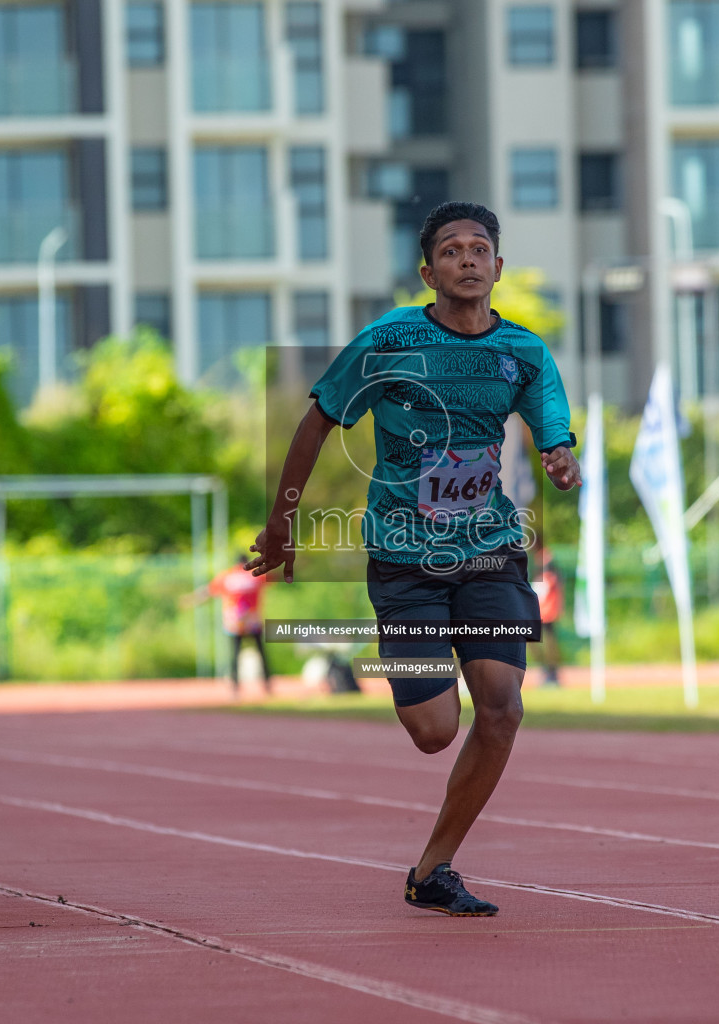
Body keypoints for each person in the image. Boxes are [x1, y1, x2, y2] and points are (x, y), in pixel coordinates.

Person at [248, 201, 579, 917]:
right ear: (428, 272)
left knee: (501, 709)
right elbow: (316, 421)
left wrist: (559, 456)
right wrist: (283, 522)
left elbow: (553, 423)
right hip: (404, 554)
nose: (467, 259)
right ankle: (402, 652)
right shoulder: (388, 340)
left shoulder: (523, 350)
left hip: (490, 550)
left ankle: (434, 868)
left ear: (498, 267)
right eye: (452, 250)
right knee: (435, 732)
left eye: (479, 248)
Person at [194, 555, 272, 697]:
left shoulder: (228, 575)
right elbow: (272, 577)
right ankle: (267, 684)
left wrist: (193, 599)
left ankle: (235, 687)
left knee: (234, 654)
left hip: (234, 622)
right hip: (253, 620)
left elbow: (208, 591)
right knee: (261, 652)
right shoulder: (255, 575)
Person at [531, 547, 564, 687]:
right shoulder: (542, 577)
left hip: (547, 615)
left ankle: (552, 673)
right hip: (540, 615)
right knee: (537, 644)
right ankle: (547, 670)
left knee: (549, 644)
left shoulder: (551, 577)